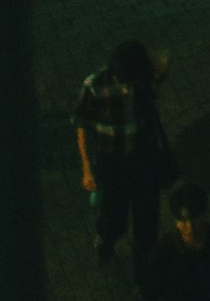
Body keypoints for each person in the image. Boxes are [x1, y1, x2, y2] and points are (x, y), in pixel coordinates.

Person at [73, 40, 172, 273]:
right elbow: (82, 127)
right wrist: (87, 169)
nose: (128, 87)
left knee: (147, 220)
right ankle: (106, 239)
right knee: (113, 214)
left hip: (143, 156)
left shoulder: (145, 77)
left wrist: (152, 63)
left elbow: (166, 59)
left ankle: (144, 273)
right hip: (110, 159)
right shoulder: (95, 85)